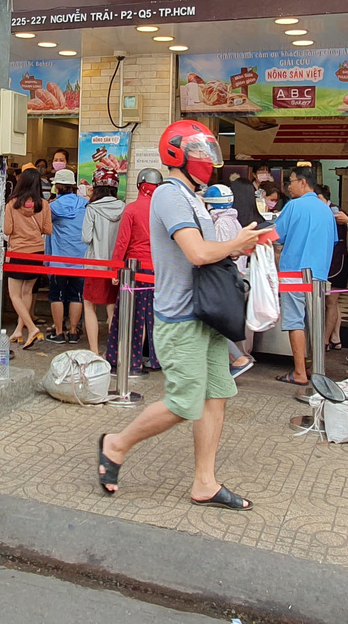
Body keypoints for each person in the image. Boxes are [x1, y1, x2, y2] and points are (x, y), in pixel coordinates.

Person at [96, 120, 264, 508]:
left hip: (206, 315)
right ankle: (116, 444)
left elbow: (207, 252)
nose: (208, 159)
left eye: (208, 151)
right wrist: (233, 243)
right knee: (184, 402)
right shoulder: (170, 196)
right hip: (181, 317)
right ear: (178, 154)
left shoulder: (193, 197)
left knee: (216, 395)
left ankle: (205, 482)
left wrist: (238, 247)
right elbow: (198, 253)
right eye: (201, 151)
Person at [272, 167, 335, 387]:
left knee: (295, 322)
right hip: (318, 275)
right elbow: (332, 241)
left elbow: (275, 235)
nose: (288, 187)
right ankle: (315, 367)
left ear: (303, 182)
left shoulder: (294, 206)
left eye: (290, 182)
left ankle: (300, 372)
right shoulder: (326, 209)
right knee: (315, 322)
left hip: (294, 273)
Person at [109, 169, 164, 373]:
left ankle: (133, 360)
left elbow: (122, 242)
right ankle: (156, 358)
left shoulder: (131, 209)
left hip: (134, 270)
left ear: (140, 184)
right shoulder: (163, 211)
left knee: (133, 316)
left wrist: (116, 270)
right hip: (157, 270)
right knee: (153, 315)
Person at [203, 183, 255, 378]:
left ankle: (238, 358)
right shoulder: (234, 221)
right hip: (235, 278)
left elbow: (219, 253)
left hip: (223, 279)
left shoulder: (221, 224)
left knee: (212, 323)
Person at [4, 168, 53, 350]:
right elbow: (48, 230)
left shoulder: (12, 204)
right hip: (37, 252)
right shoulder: (44, 204)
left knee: (14, 295)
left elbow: (7, 230)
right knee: (26, 293)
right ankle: (18, 330)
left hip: (18, 253)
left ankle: (31, 329)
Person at [79, 174, 126, 356]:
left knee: (89, 305)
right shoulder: (124, 208)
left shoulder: (92, 208)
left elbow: (86, 237)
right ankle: (114, 350)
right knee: (112, 307)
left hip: (94, 264)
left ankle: (94, 351)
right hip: (116, 266)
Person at [47, 169, 89, 343]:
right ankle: (73, 331)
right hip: (80, 257)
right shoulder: (85, 204)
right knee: (76, 295)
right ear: (73, 186)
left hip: (58, 258)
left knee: (57, 295)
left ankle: (58, 332)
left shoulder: (52, 207)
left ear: (57, 187)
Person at [318, 182, 348, 353]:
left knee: (331, 302)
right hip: (328, 261)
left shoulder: (336, 213)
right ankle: (336, 338)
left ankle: (324, 340)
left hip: (337, 263)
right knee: (333, 303)